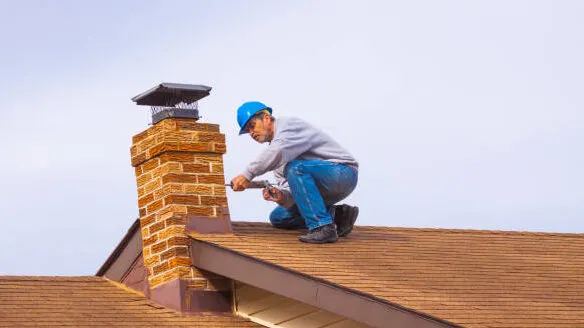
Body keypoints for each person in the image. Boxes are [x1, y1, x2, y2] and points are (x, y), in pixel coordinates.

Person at [230, 101, 359, 243]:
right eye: (248, 131)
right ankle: (339, 215)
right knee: (279, 217)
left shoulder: (288, 126)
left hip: (343, 173)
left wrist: (247, 175)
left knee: (296, 168)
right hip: (322, 188)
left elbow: (277, 151)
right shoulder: (278, 160)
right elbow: (292, 193)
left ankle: (323, 227)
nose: (251, 132)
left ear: (266, 118)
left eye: (252, 126)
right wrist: (282, 197)